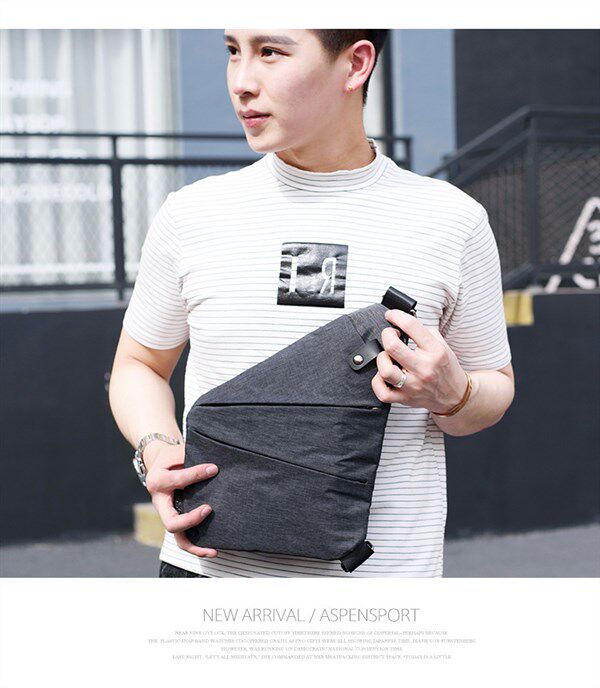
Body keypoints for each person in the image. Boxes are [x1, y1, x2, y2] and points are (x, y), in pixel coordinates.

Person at [109, 29, 515, 578]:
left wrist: (454, 392)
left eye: (270, 52)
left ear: (355, 64)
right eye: (233, 51)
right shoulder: (191, 214)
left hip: (382, 590)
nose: (241, 82)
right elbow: (138, 365)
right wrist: (157, 448)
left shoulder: (451, 220)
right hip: (207, 577)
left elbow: (494, 388)